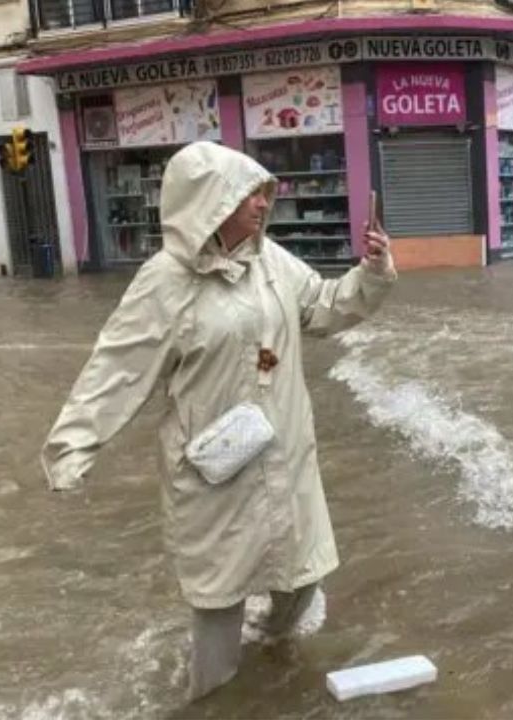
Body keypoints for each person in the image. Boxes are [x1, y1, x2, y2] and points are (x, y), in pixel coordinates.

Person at [40, 142, 396, 702]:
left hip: (284, 453)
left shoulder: (271, 262)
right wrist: (73, 446)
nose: (262, 203)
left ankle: (271, 657)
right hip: (215, 469)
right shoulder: (165, 281)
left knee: (301, 577)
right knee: (218, 598)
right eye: (248, 193)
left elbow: (325, 306)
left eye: (262, 192)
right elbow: (117, 367)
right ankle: (212, 701)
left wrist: (371, 273)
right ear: (211, 202)